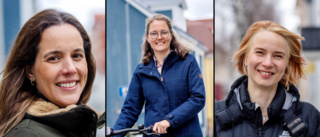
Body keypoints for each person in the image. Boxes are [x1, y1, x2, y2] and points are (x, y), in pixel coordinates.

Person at [0, 9, 104, 137]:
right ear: (29, 71)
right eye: (54, 58)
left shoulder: (92, 125)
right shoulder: (26, 134)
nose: (70, 69)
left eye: (77, 55)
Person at [215, 20, 320, 137]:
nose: (268, 63)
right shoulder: (216, 114)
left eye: (278, 56)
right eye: (260, 52)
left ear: (287, 64)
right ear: (245, 59)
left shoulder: (310, 118)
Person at [113, 14, 206, 136]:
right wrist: (113, 134)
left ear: (171, 35)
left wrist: (169, 120)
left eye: (164, 32)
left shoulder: (188, 62)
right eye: (154, 33)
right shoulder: (141, 71)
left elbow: (197, 98)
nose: (159, 37)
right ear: (147, 37)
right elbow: (130, 110)